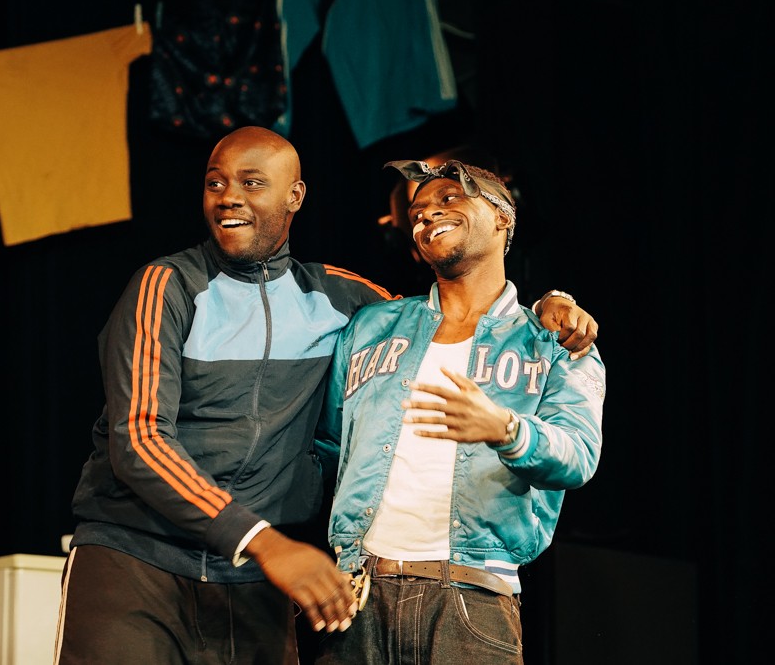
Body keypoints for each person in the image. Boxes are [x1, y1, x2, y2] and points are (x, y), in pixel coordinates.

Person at [53, 127, 598, 665]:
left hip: (263, 579)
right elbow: (140, 440)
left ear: (295, 195)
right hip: (144, 556)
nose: (229, 197)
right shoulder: (169, 286)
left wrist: (550, 308)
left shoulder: (346, 299)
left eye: (251, 182)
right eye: (215, 183)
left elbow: (461, 317)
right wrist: (265, 540)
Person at [312, 159, 606, 664]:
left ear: (502, 216)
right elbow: (329, 444)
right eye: (418, 212)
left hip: (473, 599)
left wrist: (507, 430)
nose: (428, 214)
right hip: (357, 596)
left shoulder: (556, 340)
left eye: (450, 199)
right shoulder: (372, 325)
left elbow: (578, 456)